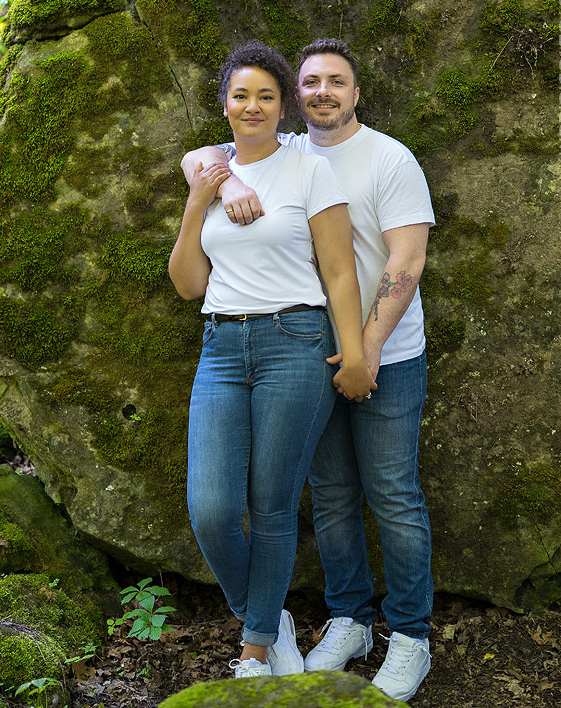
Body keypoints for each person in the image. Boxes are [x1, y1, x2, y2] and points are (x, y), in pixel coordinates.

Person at [181, 37, 435, 702]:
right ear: (300, 96)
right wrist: (227, 179)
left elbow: (401, 264)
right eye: (312, 81)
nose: (323, 91)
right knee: (329, 496)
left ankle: (409, 635)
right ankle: (349, 618)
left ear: (355, 92)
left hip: (386, 351)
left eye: (336, 82)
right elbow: (202, 156)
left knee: (393, 495)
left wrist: (365, 347)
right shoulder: (285, 151)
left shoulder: (388, 158)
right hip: (309, 351)